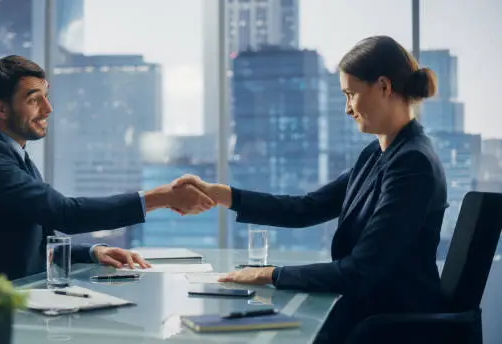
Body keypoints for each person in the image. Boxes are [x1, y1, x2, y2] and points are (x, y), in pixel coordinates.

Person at [173, 36, 447, 344]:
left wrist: (270, 274)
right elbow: (307, 207)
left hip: (385, 324)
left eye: (351, 94)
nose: (347, 109)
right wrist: (222, 194)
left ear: (384, 86)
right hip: (364, 312)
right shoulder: (378, 154)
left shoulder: (413, 163)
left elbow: (363, 270)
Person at [0, 55, 214, 286]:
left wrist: (94, 251)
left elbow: (41, 235)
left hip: (22, 292)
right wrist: (163, 197)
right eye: (34, 100)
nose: (48, 109)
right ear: (0, 108)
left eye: (45, 97)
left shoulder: (11, 154)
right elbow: (65, 214)